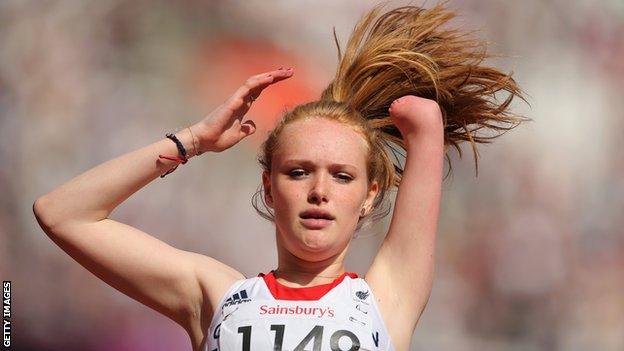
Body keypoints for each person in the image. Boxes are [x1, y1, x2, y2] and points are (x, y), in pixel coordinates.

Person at [33, 3, 526, 351]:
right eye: (298, 171)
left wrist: (420, 127)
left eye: (342, 176)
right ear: (268, 187)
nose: (319, 192)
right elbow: (62, 213)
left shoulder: (385, 298)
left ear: (371, 196)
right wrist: (193, 141)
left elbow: (424, 123)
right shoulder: (215, 296)